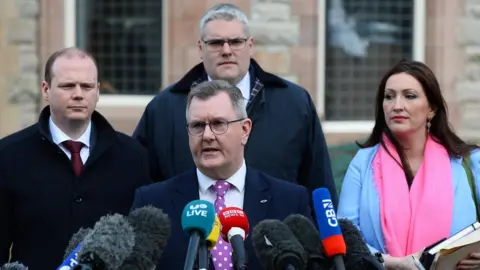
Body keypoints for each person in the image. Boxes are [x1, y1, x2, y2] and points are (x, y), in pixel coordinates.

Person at [132, 3, 338, 206]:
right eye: (215, 43)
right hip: (188, 233)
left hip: (273, 235)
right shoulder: (164, 109)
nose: (226, 50)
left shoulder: (294, 104)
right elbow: (140, 186)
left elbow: (319, 184)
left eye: (236, 42)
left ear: (250, 46)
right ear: (200, 48)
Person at [130, 80, 312, 269]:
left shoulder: (289, 202)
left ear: (245, 130)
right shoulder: (152, 203)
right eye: (198, 126)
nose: (207, 135)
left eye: (218, 124)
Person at [0, 47, 152, 269]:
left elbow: (143, 242)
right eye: (68, 86)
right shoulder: (8, 156)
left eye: (87, 86)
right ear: (46, 89)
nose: (79, 94)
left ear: (98, 91)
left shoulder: (132, 156)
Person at [337, 60, 480, 269]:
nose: (397, 106)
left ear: (432, 108)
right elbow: (345, 237)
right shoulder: (362, 162)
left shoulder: (469, 162)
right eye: (389, 96)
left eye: (409, 96)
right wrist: (393, 263)